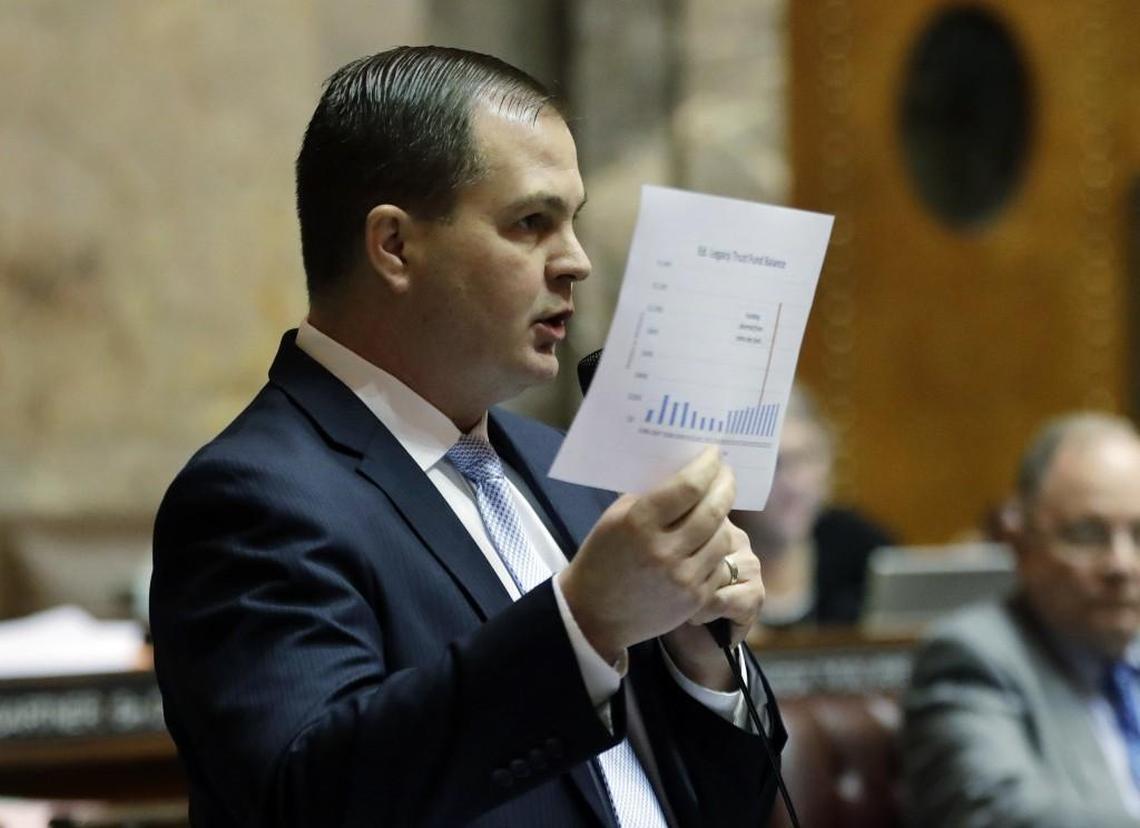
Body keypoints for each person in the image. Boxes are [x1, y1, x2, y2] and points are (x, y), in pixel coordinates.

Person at [150, 46, 784, 828]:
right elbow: (304, 800)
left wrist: (700, 661)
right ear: (394, 245)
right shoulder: (254, 499)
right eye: (531, 223)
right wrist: (584, 622)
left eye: (573, 222)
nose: (577, 262)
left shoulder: (567, 470)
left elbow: (728, 805)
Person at [902, 412, 1140, 826]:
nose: (1121, 564)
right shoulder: (971, 658)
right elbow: (1005, 815)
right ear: (1020, 541)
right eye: (1087, 533)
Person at [731, 384, 894, 628]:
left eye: (804, 459)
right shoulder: (713, 562)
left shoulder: (863, 550)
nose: (793, 485)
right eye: (775, 465)